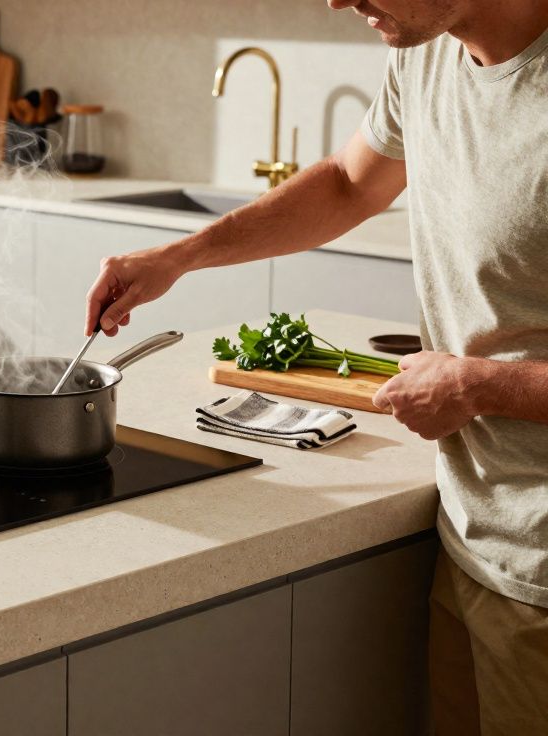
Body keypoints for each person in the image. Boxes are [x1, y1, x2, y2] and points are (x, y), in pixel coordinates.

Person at [85, 0, 548, 730]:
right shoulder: (423, 53)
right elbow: (347, 182)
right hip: (473, 540)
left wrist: (477, 383)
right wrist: (184, 255)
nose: (337, 0)